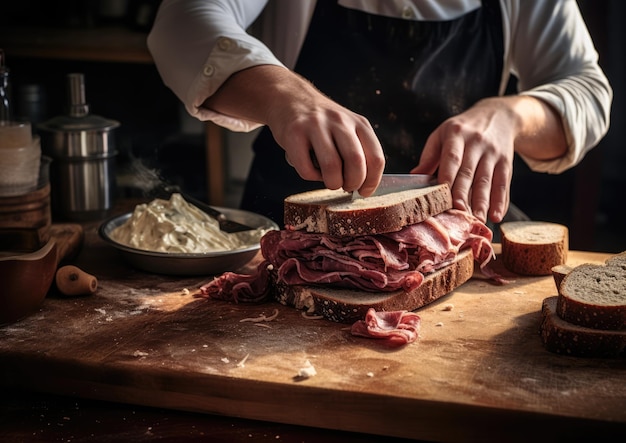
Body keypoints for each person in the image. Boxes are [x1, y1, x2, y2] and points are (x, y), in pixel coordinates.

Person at [147, 0, 612, 226]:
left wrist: (510, 115)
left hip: (455, 224)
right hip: (291, 224)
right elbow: (181, 23)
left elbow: (588, 91)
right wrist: (286, 95)